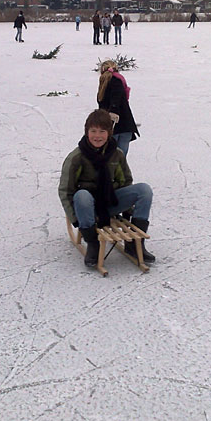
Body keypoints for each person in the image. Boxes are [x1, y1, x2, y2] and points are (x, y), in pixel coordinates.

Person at [58, 109, 155, 267]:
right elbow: (65, 190)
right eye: (93, 131)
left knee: (144, 190)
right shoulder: (76, 157)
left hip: (109, 202)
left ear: (109, 133)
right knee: (82, 195)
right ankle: (93, 244)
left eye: (102, 131)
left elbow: (125, 181)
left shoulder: (116, 154)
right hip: (87, 209)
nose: (97, 136)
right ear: (86, 132)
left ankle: (135, 243)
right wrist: (76, 218)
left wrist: (127, 213)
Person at [97, 59, 139, 157]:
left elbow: (115, 98)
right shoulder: (116, 80)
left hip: (114, 125)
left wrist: (113, 112)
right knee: (119, 157)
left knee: (112, 157)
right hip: (123, 125)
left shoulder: (114, 81)